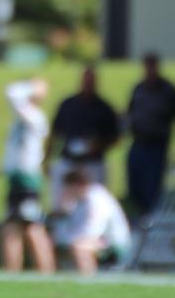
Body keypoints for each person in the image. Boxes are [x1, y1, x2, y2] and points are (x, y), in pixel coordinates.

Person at [0, 79, 55, 273]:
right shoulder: (24, 116)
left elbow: (11, 92)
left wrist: (34, 87)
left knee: (31, 227)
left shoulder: (34, 116)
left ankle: (45, 271)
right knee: (13, 227)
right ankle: (12, 271)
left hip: (27, 179)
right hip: (17, 179)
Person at [126, 53, 175, 217]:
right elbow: (129, 113)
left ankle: (151, 219)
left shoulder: (169, 90)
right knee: (134, 185)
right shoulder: (139, 88)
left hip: (157, 145)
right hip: (138, 142)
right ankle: (143, 215)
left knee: (152, 188)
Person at [45, 66, 120, 209]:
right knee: (62, 203)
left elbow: (115, 138)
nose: (88, 85)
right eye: (86, 81)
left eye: (91, 82)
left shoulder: (104, 108)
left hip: (93, 163)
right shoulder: (68, 104)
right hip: (69, 160)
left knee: (93, 204)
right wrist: (47, 158)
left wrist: (98, 145)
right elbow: (55, 133)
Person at [53, 168, 131, 274]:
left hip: (114, 244)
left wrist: (69, 239)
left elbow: (94, 230)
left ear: (76, 185)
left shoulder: (97, 199)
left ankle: (88, 281)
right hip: (99, 239)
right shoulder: (80, 200)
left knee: (79, 247)